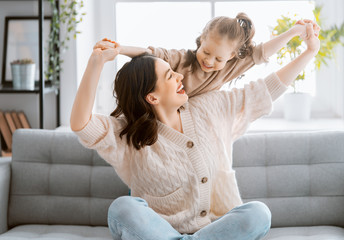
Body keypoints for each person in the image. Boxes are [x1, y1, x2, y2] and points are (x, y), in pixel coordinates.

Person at [70, 21, 320, 240]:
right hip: (155, 231)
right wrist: (96, 63)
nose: (180, 76)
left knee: (258, 214)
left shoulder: (209, 107)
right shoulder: (127, 133)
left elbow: (266, 90)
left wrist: (310, 52)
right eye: (170, 76)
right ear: (152, 97)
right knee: (123, 209)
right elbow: (81, 124)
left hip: (213, 228)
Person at [95, 14, 320, 98]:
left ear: (232, 56)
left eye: (219, 59)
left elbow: (261, 52)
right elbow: (152, 53)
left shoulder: (230, 66)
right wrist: (120, 49)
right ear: (201, 39)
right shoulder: (182, 59)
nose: (209, 61)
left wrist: (293, 32)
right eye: (206, 52)